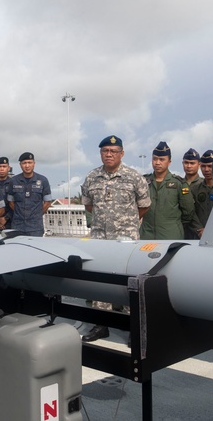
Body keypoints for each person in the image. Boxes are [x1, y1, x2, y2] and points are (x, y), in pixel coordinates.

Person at [79, 135, 151, 342]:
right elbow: (88, 204)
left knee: (129, 280)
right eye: (105, 151)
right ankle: (102, 324)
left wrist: (125, 222)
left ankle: (133, 327)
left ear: (121, 154)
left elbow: (145, 205)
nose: (108, 155)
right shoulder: (92, 177)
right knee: (100, 280)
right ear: (100, 153)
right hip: (101, 238)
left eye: (113, 151)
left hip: (126, 239)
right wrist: (105, 220)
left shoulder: (133, 177)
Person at [141, 142, 198, 240]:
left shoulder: (179, 183)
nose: (157, 162)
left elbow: (188, 211)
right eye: (155, 159)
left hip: (170, 235)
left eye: (162, 159)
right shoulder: (143, 181)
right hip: (146, 235)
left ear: (169, 162)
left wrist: (173, 223)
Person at [8, 152, 53, 237]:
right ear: (20, 165)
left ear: (34, 164)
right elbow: (11, 202)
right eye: (24, 163)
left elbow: (47, 202)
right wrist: (20, 213)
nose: (27, 166)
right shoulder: (13, 181)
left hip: (35, 227)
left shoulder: (43, 180)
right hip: (18, 225)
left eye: (29, 162)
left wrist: (37, 214)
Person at [189, 149, 213, 237]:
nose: (206, 170)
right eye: (203, 166)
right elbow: (191, 213)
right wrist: (200, 230)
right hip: (199, 234)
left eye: (210, 166)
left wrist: (212, 229)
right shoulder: (194, 189)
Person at [0, 156, 13, 229]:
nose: (2, 169)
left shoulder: (14, 183)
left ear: (8, 168)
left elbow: (17, 204)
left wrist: (6, 218)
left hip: (10, 222)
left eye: (4, 166)